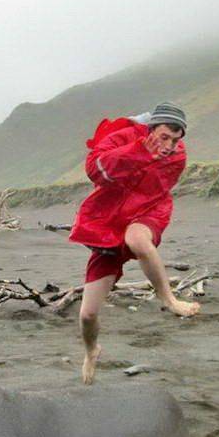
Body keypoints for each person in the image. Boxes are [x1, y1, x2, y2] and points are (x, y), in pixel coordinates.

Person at [69, 102, 200, 384]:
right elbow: (96, 170)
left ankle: (169, 298)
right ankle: (92, 351)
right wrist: (140, 151)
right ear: (150, 129)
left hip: (149, 211)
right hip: (108, 224)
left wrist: (151, 158)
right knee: (88, 314)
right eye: (164, 137)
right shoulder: (123, 138)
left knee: (137, 239)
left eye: (176, 140)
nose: (169, 145)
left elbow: (152, 189)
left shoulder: (177, 155)